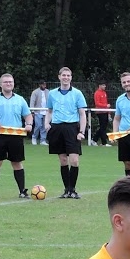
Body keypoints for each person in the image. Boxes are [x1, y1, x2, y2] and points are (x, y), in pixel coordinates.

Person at [0, 73, 32, 199]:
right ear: (1, 84)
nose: (8, 84)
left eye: (10, 82)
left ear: (13, 84)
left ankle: (22, 191)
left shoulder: (20, 99)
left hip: (15, 135)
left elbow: (28, 115)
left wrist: (29, 124)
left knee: (17, 163)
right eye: (6, 82)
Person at [45, 67, 87, 199]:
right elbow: (49, 111)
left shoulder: (77, 93)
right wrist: (47, 123)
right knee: (63, 160)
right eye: (64, 75)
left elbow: (82, 114)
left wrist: (81, 131)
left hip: (72, 128)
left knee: (74, 160)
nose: (66, 78)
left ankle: (72, 189)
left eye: (68, 75)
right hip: (57, 128)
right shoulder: (52, 93)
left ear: (71, 77)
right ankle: (66, 190)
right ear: (59, 77)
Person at [29, 80, 48, 145]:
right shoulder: (35, 92)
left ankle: (43, 140)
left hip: (46, 111)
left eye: (45, 85)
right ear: (40, 85)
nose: (44, 86)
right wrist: (32, 111)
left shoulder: (48, 92)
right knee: (38, 125)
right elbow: (32, 101)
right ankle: (34, 138)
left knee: (44, 126)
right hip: (37, 111)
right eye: (43, 85)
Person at [92, 81, 110, 145]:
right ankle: (104, 143)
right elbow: (97, 103)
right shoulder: (97, 93)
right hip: (100, 112)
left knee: (103, 127)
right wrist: (105, 106)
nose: (105, 86)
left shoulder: (104, 93)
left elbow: (105, 102)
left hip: (105, 111)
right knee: (103, 127)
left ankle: (94, 140)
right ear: (100, 85)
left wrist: (108, 112)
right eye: (103, 85)